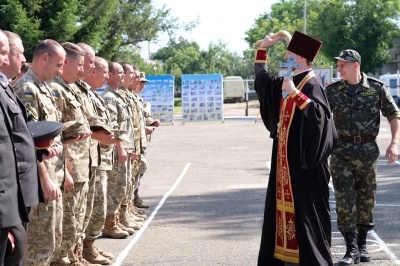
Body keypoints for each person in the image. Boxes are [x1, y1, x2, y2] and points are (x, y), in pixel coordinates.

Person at [254, 30, 337, 266]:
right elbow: (262, 82)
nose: (286, 54)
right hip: (285, 166)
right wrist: (263, 49)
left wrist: (296, 95)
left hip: (304, 167)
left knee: (307, 217)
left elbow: (321, 119)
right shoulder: (287, 82)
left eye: (290, 52)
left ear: (300, 58)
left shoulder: (311, 85)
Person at [326, 49, 400, 265]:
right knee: (343, 198)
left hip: (367, 151)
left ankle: (362, 243)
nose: (339, 69)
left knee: (366, 198)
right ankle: (351, 249)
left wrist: (395, 143)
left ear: (355, 65)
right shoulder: (332, 90)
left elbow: (394, 114)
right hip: (340, 151)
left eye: (343, 65)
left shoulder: (375, 88)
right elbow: (319, 116)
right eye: (338, 65)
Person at [14, 39, 68, 266]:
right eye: (58, 64)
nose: (60, 71)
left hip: (54, 177)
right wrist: (44, 179)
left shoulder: (44, 87)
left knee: (51, 242)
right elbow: (29, 142)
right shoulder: (26, 88)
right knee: (38, 249)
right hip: (39, 183)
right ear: (44, 58)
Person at [47, 42, 93, 266]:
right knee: (68, 224)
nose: (82, 70)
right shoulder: (56, 89)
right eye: (80, 65)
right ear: (65, 62)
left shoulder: (71, 88)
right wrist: (65, 171)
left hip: (81, 164)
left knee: (77, 221)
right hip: (68, 168)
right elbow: (53, 135)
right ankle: (67, 260)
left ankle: (75, 258)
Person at [0, 28, 29, 266]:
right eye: (2, 52)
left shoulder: (5, 87)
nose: (6, 58)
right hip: (4, 193)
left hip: (12, 191)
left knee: (17, 247)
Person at [101, 62, 137, 239]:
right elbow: (113, 125)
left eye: (124, 72)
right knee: (116, 188)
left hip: (124, 147)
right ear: (110, 74)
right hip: (117, 149)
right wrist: (120, 147)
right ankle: (110, 224)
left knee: (123, 187)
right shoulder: (109, 96)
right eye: (120, 72)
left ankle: (118, 219)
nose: (123, 76)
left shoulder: (117, 95)